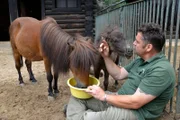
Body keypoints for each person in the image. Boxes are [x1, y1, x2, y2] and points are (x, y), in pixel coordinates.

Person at [65, 23, 176, 120]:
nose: (133, 43)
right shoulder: (140, 61)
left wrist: (104, 96)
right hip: (118, 98)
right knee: (79, 96)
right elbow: (119, 74)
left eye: (137, 41)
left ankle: (82, 113)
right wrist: (106, 57)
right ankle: (82, 112)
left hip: (135, 113)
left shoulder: (161, 70)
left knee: (81, 117)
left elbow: (136, 102)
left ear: (148, 47)